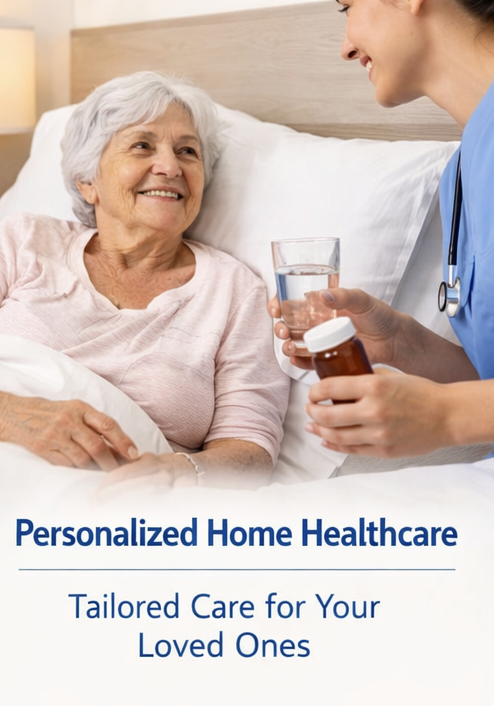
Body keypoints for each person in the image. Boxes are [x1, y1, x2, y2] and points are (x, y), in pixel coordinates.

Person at [271, 0, 494, 460]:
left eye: (348, 6)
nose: (346, 46)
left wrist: (445, 416)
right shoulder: (464, 173)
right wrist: (401, 344)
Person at [0, 71, 289, 486]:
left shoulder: (234, 292)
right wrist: (10, 415)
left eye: (187, 151)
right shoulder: (23, 240)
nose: (170, 167)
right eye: (142, 146)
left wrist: (178, 473)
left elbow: (250, 448)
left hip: (116, 502)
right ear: (87, 181)